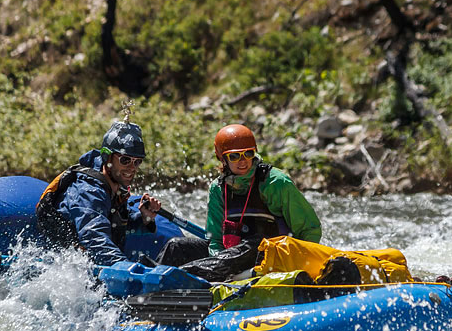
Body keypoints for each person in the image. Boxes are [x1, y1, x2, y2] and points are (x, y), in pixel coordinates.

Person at [157, 123, 321, 280]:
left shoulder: (275, 182)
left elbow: (310, 229)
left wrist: (299, 264)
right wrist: (218, 261)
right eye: (234, 156)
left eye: (248, 154)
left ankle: (183, 274)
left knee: (254, 243)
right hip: (228, 259)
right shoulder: (218, 188)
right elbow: (215, 239)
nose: (243, 161)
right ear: (222, 159)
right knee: (176, 246)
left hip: (270, 256)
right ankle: (155, 279)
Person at [35, 120, 162, 266]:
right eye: (125, 160)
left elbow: (115, 226)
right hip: (68, 269)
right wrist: (125, 268)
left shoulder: (113, 186)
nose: (132, 167)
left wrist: (144, 219)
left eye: (137, 162)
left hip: (95, 266)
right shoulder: (88, 191)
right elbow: (94, 236)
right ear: (107, 157)